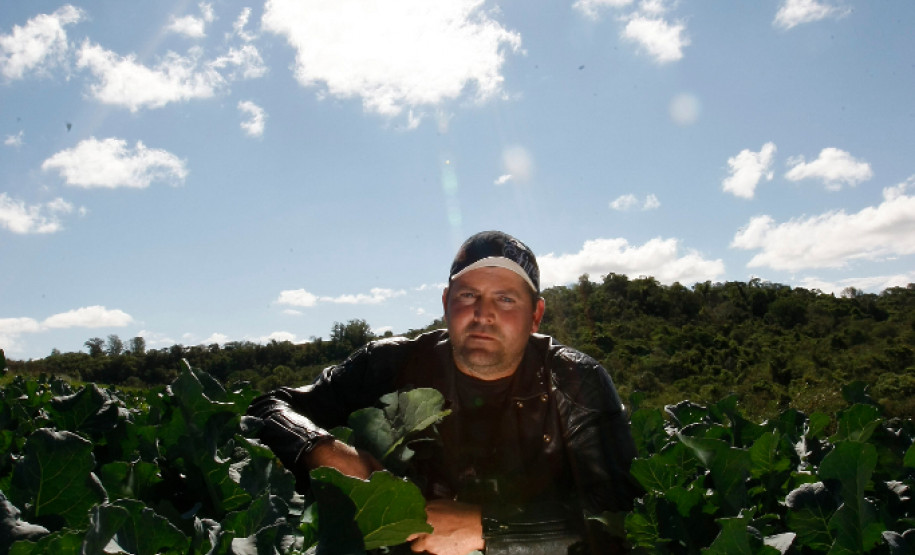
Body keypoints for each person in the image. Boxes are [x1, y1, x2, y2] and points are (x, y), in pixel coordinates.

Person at [246, 231, 641, 554]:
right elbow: (269, 407)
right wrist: (322, 449)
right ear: (446, 302)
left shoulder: (576, 381)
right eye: (468, 295)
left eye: (506, 299)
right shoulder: (389, 363)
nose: (483, 314)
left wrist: (487, 528)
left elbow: (619, 514)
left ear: (535, 315)